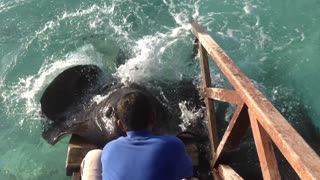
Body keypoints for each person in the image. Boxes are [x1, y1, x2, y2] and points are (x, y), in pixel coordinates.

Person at [100, 90, 194, 180]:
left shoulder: (109, 148)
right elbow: (187, 174)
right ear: (153, 117)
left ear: (120, 125)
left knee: (94, 155)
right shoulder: (173, 145)